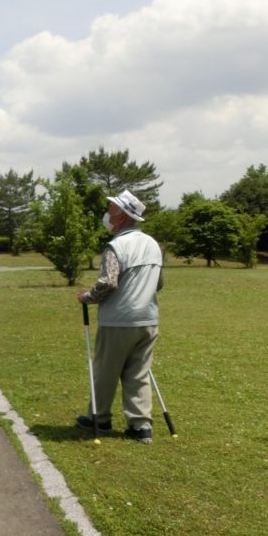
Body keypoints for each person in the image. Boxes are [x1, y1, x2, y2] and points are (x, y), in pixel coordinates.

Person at [76, 190, 163, 444]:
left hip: (119, 319)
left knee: (106, 370)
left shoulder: (117, 245)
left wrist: (88, 297)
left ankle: (99, 418)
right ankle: (141, 426)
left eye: (112, 209)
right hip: (148, 319)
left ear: (123, 217)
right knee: (139, 372)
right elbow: (159, 283)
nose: (107, 214)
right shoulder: (153, 244)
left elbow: (108, 282)